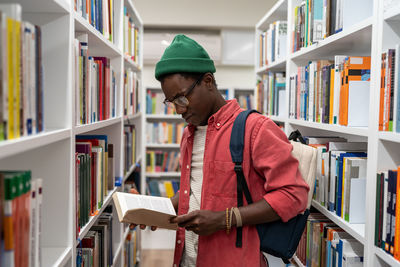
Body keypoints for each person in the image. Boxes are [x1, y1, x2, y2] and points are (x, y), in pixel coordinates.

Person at [141, 34, 309, 267]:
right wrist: (159, 210)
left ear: (208, 81)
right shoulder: (188, 134)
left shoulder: (255, 128)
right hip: (187, 259)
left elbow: (294, 194)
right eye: (171, 102)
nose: (178, 110)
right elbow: (199, 190)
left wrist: (226, 219)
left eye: (181, 98)